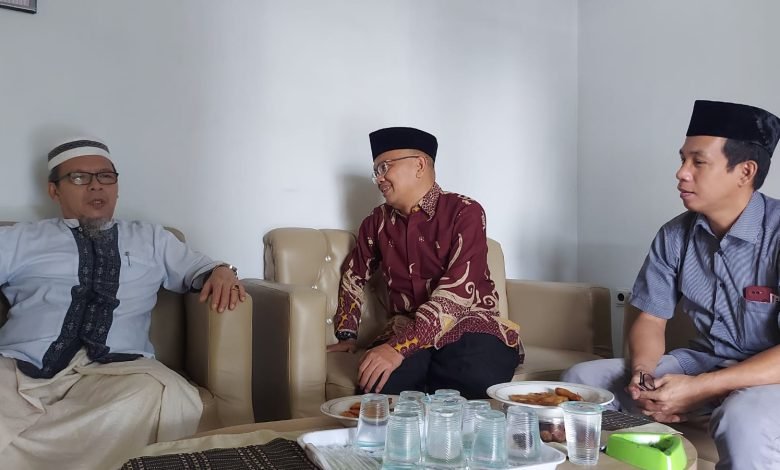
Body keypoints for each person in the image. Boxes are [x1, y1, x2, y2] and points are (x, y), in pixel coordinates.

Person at [0, 138, 247, 469]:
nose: (95, 186)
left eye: (106, 177)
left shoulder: (152, 239)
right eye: (79, 178)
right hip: (21, 368)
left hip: (117, 372)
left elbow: (201, 269)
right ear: (54, 190)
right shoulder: (20, 239)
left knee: (156, 392)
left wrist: (223, 271)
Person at [562, 100, 780, 469]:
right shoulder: (675, 235)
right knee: (582, 381)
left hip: (769, 380)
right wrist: (643, 376)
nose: (681, 173)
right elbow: (651, 318)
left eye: (698, 162)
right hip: (705, 362)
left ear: (745, 171)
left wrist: (701, 388)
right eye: (682, 159)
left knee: (743, 417)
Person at [326, 126, 522, 399]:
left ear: (419, 165)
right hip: (405, 328)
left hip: (469, 326)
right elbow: (354, 275)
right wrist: (347, 335)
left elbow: (457, 293)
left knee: (474, 378)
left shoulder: (465, 211)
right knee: (378, 387)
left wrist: (398, 348)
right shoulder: (376, 222)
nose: (379, 178)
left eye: (384, 167)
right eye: (376, 172)